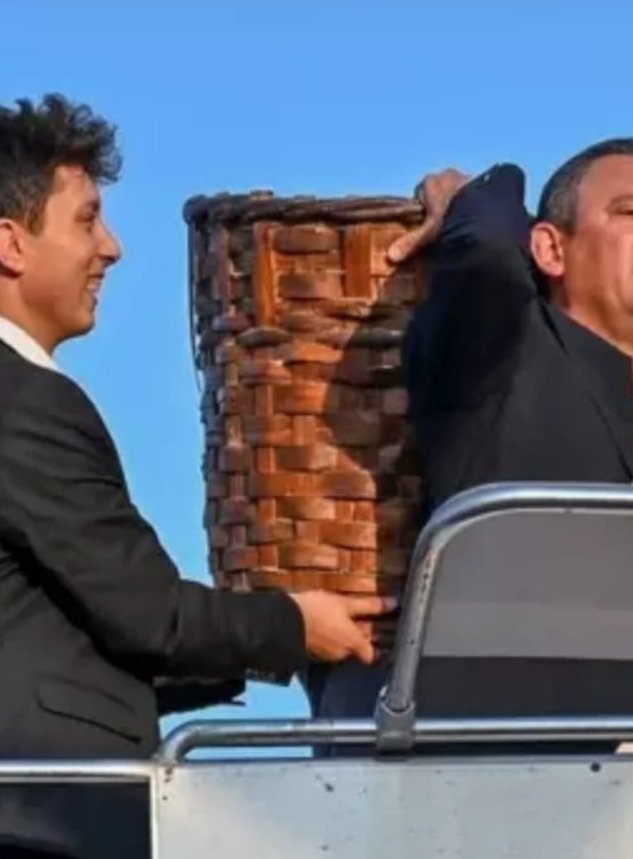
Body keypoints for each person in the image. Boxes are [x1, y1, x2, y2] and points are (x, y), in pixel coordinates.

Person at [0, 94, 394, 858]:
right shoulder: (25, 402)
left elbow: (70, 634)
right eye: (86, 220)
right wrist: (295, 626)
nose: (111, 248)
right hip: (42, 823)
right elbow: (149, 616)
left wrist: (259, 646)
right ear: (11, 243)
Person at [306, 138, 633, 751]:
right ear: (550, 249)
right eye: (632, 212)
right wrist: (467, 194)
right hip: (511, 780)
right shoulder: (503, 360)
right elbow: (487, 243)